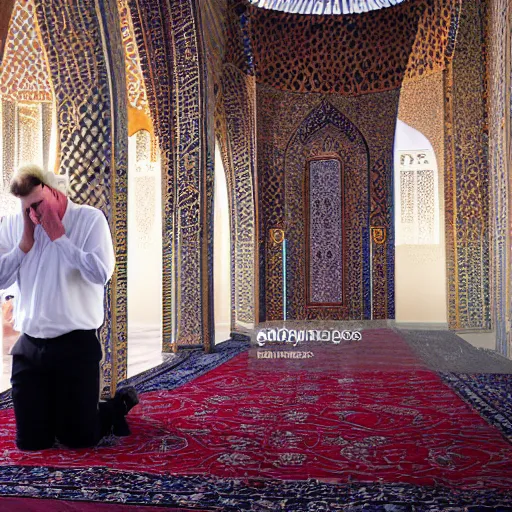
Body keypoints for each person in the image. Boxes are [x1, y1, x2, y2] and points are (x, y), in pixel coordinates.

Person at [0, 164, 138, 450]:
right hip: (29, 348)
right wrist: (24, 245)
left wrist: (60, 238)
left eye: (37, 204)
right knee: (31, 443)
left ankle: (112, 409)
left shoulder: (89, 220)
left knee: (78, 440)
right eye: (25, 207)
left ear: (54, 192)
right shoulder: (15, 224)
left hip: (75, 346)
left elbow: (101, 274)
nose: (32, 214)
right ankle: (63, 410)